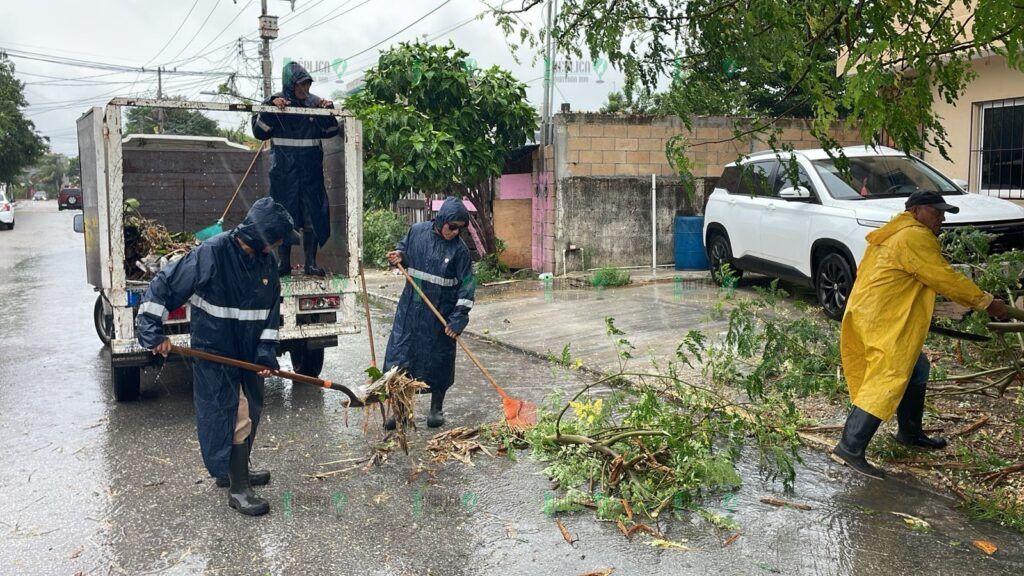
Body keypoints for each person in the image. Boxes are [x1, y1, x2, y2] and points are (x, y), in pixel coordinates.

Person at [136, 197, 298, 516]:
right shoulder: (213, 252)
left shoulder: (266, 263)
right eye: (278, 238)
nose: (281, 245)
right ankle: (239, 489)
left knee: (250, 411)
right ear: (262, 237)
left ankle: (235, 470)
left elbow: (270, 314)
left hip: (248, 355)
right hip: (215, 351)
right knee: (232, 414)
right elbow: (165, 286)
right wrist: (151, 331)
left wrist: (266, 353)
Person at [834, 190, 1008, 480]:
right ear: (915, 210)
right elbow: (943, 277)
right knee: (887, 377)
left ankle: (909, 433)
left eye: (943, 212)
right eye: (935, 211)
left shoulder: (895, 231)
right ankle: (849, 447)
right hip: (883, 317)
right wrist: (987, 302)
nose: (941, 217)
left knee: (917, 368)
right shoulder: (913, 236)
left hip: (870, 311)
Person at [383, 197, 476, 429]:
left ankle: (436, 408)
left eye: (460, 229)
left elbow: (467, 286)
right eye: (452, 226)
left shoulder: (460, 252)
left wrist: (459, 317)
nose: (455, 232)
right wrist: (399, 256)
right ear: (441, 219)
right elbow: (403, 250)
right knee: (401, 358)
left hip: (440, 316)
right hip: (410, 311)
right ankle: (401, 409)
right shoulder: (417, 231)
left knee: (438, 361)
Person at [251, 61, 340, 277]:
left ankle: (310, 263)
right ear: (291, 84)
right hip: (284, 173)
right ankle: (284, 264)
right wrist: (271, 108)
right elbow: (259, 132)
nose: (305, 89)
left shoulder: (315, 102)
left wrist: (327, 112)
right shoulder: (275, 102)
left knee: (314, 216)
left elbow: (331, 131)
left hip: (311, 173)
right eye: (301, 84)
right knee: (284, 216)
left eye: (308, 84)